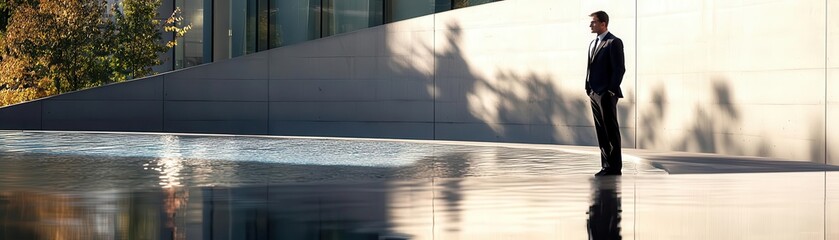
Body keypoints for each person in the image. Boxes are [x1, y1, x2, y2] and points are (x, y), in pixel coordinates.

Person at [586, 11, 625, 176]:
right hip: (594, 92)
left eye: (594, 22)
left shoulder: (613, 42)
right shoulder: (592, 43)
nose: (590, 25)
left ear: (603, 24)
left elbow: (619, 69)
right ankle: (606, 166)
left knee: (611, 130)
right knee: (601, 130)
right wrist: (588, 88)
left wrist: (610, 90)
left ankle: (615, 167)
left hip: (606, 94)